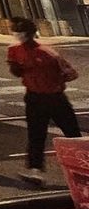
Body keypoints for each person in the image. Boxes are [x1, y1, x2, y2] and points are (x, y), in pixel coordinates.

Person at [7, 17, 81, 186]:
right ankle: (35, 170)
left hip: (54, 97)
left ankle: (80, 166)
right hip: (36, 97)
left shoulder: (47, 53)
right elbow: (16, 72)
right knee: (37, 134)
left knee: (71, 134)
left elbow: (70, 72)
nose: (17, 35)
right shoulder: (16, 50)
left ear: (29, 33)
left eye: (19, 31)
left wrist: (53, 80)